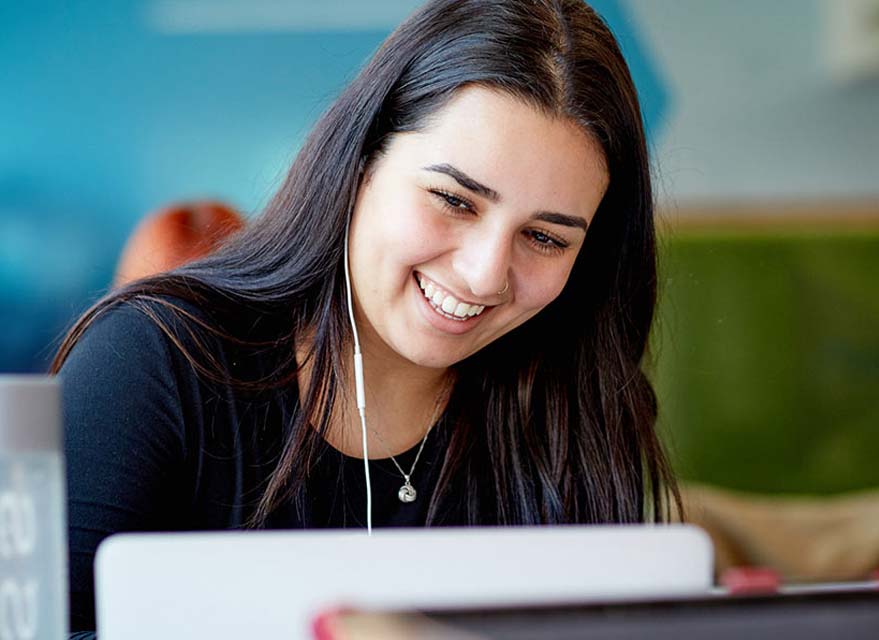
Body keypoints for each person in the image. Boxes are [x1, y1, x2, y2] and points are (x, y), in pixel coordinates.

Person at [53, 0, 682, 633]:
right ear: (360, 163)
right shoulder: (154, 360)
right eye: (453, 200)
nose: (485, 273)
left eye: (546, 238)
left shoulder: (577, 409)